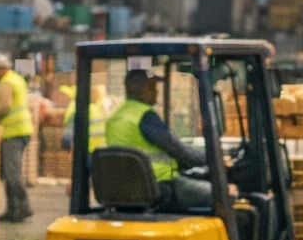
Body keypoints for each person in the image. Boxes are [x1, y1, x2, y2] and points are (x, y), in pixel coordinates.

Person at [105, 69, 212, 210]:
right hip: (159, 185)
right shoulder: (145, 116)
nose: (157, 92)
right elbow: (177, 149)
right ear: (144, 89)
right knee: (220, 192)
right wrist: (211, 158)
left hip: (127, 187)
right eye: (153, 87)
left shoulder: (114, 117)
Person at [0, 54, 33, 223]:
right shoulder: (16, 79)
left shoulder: (6, 82)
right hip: (19, 130)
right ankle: (13, 210)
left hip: (14, 131)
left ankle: (24, 206)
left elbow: (5, 107)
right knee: (8, 171)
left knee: (12, 172)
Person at [60, 85, 107, 154]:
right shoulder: (97, 110)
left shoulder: (82, 109)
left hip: (86, 151)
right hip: (100, 152)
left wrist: (66, 147)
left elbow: (68, 136)